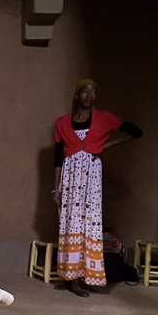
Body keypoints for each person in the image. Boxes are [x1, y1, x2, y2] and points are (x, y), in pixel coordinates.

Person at [52, 79, 142, 297]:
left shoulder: (103, 118)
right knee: (71, 224)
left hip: (91, 176)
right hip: (71, 176)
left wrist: (103, 147)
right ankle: (71, 279)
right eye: (85, 91)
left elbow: (135, 132)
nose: (90, 95)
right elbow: (57, 157)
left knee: (89, 223)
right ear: (77, 95)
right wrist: (56, 188)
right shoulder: (62, 123)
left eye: (94, 91)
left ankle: (86, 276)